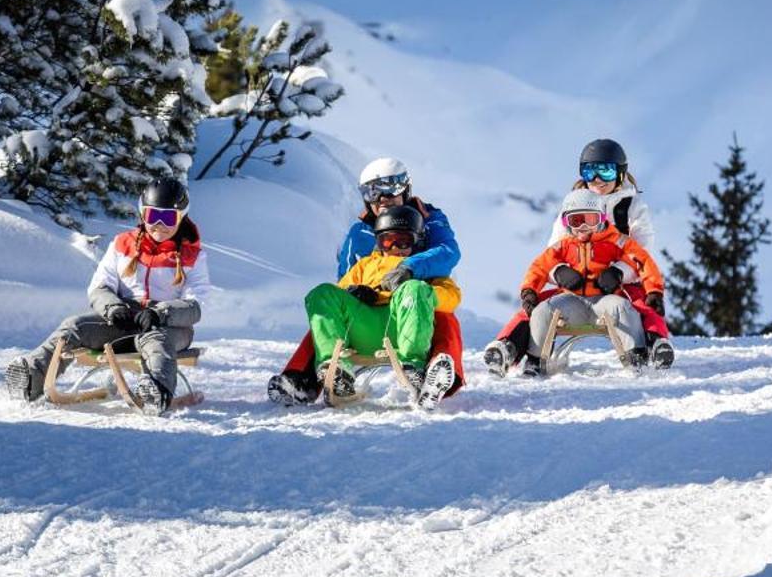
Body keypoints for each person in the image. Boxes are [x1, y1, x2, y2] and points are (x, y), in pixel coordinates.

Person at [3, 177, 210, 414]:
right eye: (153, 216)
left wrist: (160, 314)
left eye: (168, 218)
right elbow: (100, 286)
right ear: (143, 214)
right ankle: (31, 377)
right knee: (74, 326)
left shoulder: (192, 255)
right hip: (123, 320)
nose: (159, 225)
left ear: (181, 217)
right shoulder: (123, 244)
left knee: (156, 341)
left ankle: (156, 391)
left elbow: (196, 303)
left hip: (170, 327)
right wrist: (113, 307)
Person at [269, 156, 465, 405]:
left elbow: (448, 251)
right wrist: (354, 291)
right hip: (368, 313)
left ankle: (434, 376)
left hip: (415, 296)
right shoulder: (360, 231)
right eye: (372, 191)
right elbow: (343, 282)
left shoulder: (429, 219)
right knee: (327, 315)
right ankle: (303, 379)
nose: (382, 198)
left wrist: (410, 268)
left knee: (443, 316)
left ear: (405, 188)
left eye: (389, 188)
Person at [484, 188, 673, 375]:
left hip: (605, 299)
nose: (583, 228)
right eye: (576, 221)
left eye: (590, 220)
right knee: (542, 311)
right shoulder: (564, 245)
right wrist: (530, 290)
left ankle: (636, 357)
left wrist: (651, 290)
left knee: (623, 308)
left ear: (601, 219)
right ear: (566, 223)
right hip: (572, 300)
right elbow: (539, 267)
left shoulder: (617, 241)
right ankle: (535, 360)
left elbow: (643, 262)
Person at [303, 204, 461, 403]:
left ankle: (413, 368)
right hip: (361, 329)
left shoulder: (425, 269)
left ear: (417, 241)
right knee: (322, 293)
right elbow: (337, 295)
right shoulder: (365, 265)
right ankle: (335, 370)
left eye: (403, 242)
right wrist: (353, 292)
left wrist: (423, 292)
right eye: (388, 241)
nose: (395, 248)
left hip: (401, 329)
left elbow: (452, 297)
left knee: (413, 289)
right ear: (379, 242)